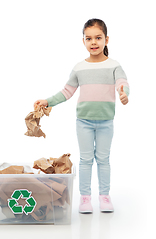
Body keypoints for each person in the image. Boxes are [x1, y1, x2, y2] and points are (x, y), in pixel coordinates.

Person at [34, 18, 129, 213]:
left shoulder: (114, 65)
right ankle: (85, 199)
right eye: (89, 38)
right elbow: (67, 92)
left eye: (98, 38)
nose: (93, 42)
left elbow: (122, 82)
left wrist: (123, 92)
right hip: (84, 123)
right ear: (83, 41)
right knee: (86, 160)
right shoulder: (79, 67)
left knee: (103, 159)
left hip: (105, 123)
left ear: (106, 40)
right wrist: (47, 101)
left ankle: (104, 197)